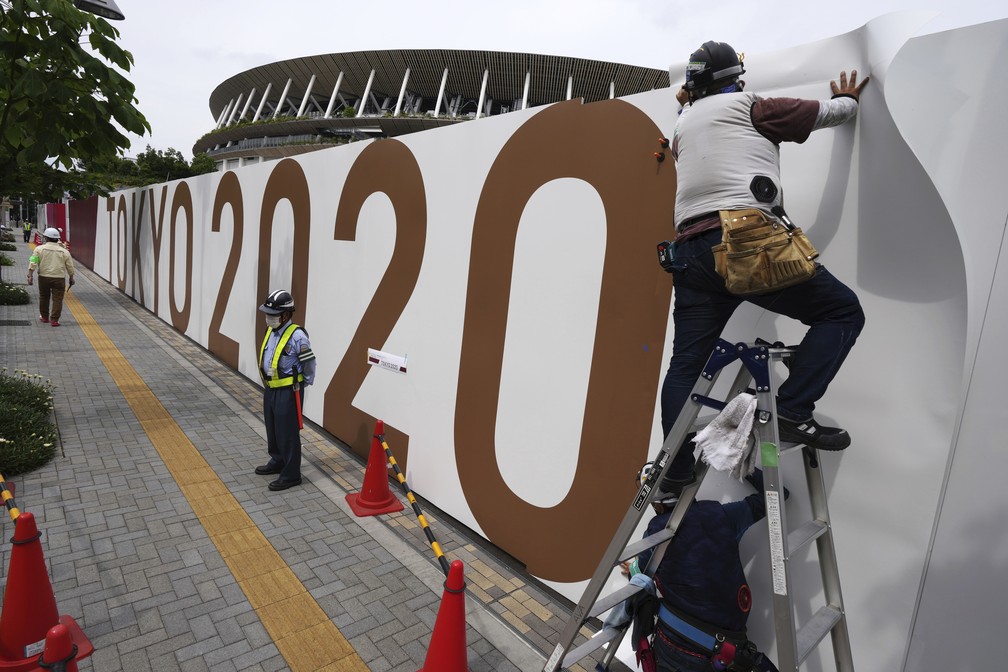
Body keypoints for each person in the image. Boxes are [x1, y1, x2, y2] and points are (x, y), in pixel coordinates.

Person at [660, 41, 868, 490]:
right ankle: (792, 409)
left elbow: (692, 132)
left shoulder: (682, 127)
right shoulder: (748, 105)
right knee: (842, 312)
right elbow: (828, 114)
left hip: (689, 254)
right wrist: (847, 100)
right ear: (733, 78)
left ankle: (673, 474)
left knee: (684, 366)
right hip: (744, 239)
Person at [629, 464, 784, 672]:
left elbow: (638, 575)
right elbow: (776, 494)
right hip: (729, 652)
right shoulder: (722, 515)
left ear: (656, 505)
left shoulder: (657, 533)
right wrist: (740, 465)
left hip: (678, 646)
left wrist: (633, 568)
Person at [255, 289, 316, 491]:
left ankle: (291, 474)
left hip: (289, 391)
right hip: (271, 389)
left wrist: (302, 384)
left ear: (286, 315)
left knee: (287, 433)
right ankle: (278, 460)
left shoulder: (298, 336)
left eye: (273, 315)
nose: (268, 318)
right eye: (267, 314)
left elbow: (309, 364)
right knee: (272, 428)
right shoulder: (272, 332)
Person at [27, 227, 75, 327]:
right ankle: (54, 320)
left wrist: (30, 275)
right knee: (57, 299)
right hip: (59, 278)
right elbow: (70, 266)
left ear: (46, 238)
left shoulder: (38, 249)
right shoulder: (64, 251)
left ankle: (44, 317)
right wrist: (71, 277)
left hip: (43, 277)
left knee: (44, 297)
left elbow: (33, 262)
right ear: (57, 238)